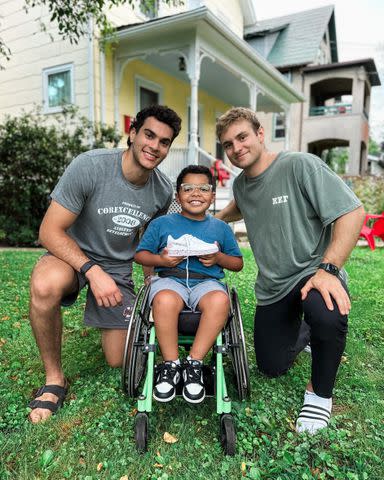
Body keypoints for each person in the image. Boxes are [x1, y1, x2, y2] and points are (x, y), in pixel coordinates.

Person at [215, 107, 365, 434]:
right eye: (227, 144)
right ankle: (307, 331)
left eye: (242, 137)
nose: (236, 148)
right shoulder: (241, 185)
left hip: (313, 272)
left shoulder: (299, 165)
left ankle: (319, 394)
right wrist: (214, 221)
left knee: (327, 312)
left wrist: (328, 269)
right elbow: (239, 205)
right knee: (271, 365)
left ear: (259, 134)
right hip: (273, 287)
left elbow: (353, 213)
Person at [28, 105, 182, 423]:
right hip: (71, 254)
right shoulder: (90, 167)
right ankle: (54, 379)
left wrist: (152, 283)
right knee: (45, 286)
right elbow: (48, 231)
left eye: (164, 142)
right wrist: (91, 270)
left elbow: (148, 242)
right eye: (149, 135)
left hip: (117, 266)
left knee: (117, 359)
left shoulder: (163, 191)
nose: (154, 146)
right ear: (133, 133)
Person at [134, 165, 243, 404]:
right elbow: (141, 255)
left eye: (203, 188)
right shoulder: (162, 224)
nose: (196, 193)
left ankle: (194, 364)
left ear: (212, 195)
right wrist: (161, 259)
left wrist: (218, 258)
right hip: (170, 279)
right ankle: (171, 365)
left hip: (206, 282)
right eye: (188, 188)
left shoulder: (220, 228)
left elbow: (237, 263)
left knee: (220, 300)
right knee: (164, 299)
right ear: (177, 195)